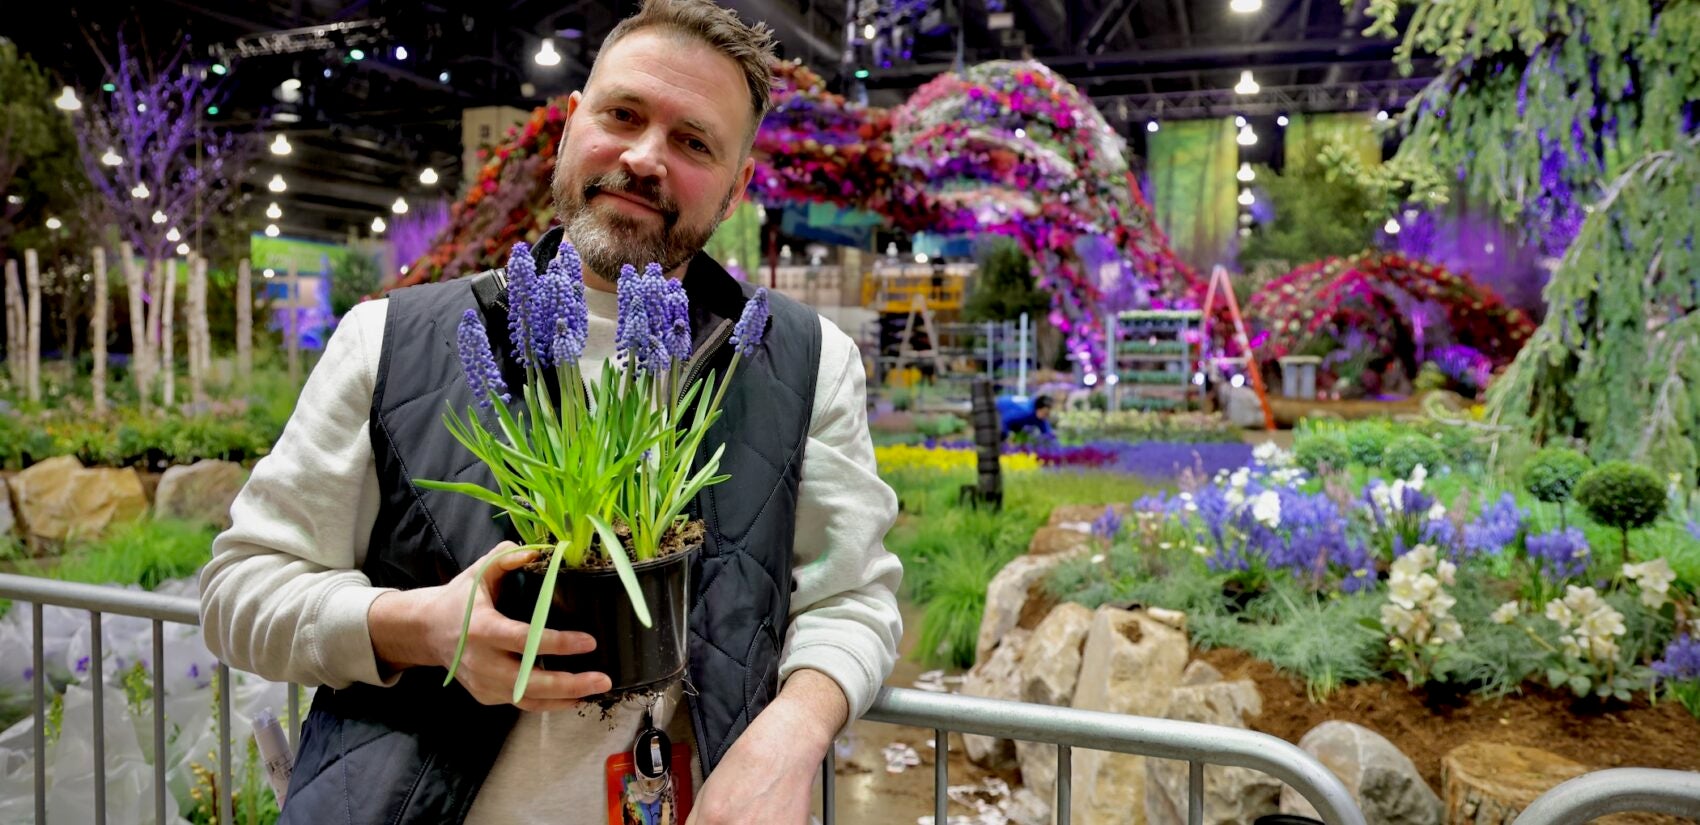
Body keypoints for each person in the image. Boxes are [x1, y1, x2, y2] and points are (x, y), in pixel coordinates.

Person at [197, 3, 903, 823]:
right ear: (571, 126)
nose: (644, 159)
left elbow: (853, 598)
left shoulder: (809, 362)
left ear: (739, 185)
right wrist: (419, 627)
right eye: (623, 115)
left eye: (694, 142)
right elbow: (238, 590)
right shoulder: (389, 339)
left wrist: (793, 734)